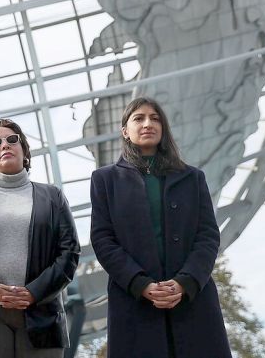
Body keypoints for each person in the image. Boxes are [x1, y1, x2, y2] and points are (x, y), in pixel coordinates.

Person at [89, 97, 232, 358]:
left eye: (155, 118)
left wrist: (184, 282)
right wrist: (141, 284)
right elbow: (103, 239)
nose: (148, 124)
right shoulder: (105, 179)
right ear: (125, 131)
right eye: (139, 118)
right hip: (134, 304)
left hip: (192, 302)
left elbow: (208, 236)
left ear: (163, 128)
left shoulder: (193, 178)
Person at [0, 119, 80, 357]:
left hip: (42, 314)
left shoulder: (53, 196)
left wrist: (34, 292)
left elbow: (69, 253)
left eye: (12, 140)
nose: (5, 145)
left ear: (24, 151)